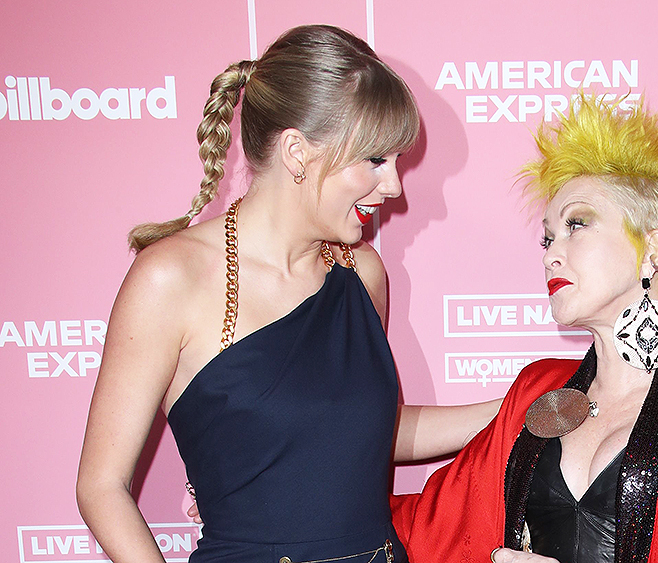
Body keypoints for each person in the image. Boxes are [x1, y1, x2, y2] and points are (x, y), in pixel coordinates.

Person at [76, 25, 497, 563]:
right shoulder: (172, 279)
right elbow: (101, 486)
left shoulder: (363, 274)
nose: (394, 187)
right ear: (296, 150)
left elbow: (364, 433)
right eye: (374, 160)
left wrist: (521, 404)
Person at [390, 96, 658, 563]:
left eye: (577, 225)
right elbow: (427, 527)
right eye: (547, 237)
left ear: (653, 249)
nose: (551, 254)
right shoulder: (536, 389)